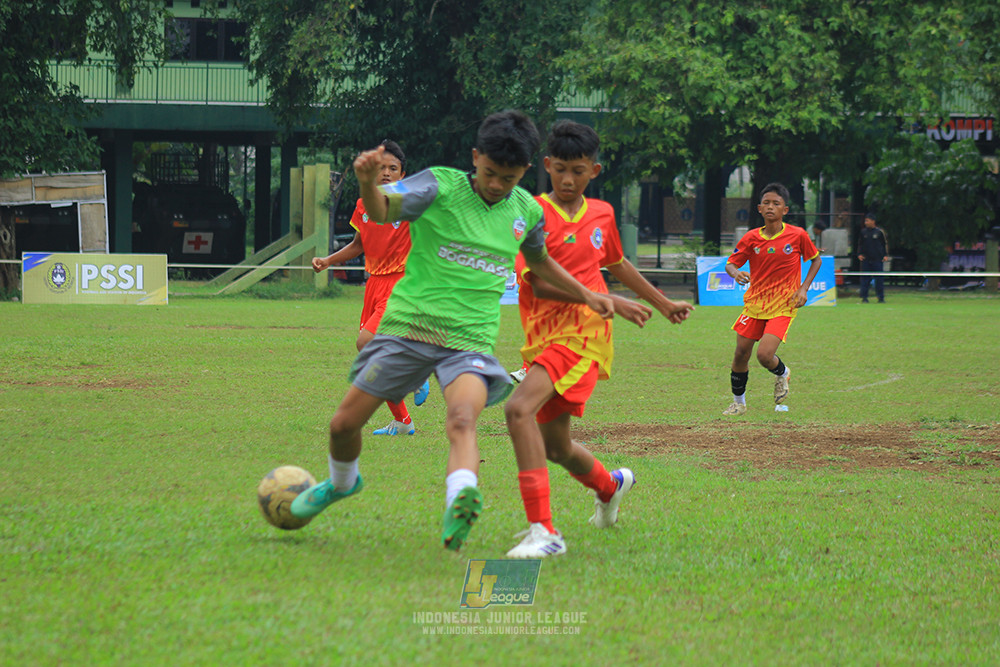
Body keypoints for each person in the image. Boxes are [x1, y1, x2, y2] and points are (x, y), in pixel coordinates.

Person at [291, 110, 645, 553]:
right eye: (490, 173)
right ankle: (343, 483)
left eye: (510, 177)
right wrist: (367, 182)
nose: (498, 185)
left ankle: (460, 501)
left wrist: (590, 295)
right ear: (475, 158)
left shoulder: (525, 211)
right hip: (409, 330)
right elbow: (381, 212)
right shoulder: (439, 184)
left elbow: (539, 262)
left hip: (469, 342)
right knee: (343, 425)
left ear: (525, 172)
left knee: (461, 419)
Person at [503, 120, 694, 558]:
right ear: (546, 166)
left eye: (579, 170)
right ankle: (610, 486)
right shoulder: (531, 213)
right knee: (556, 446)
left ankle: (544, 532)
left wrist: (663, 305)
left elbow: (619, 263)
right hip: (545, 333)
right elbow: (538, 285)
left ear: (595, 170)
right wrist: (604, 298)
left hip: (584, 335)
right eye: (561, 170)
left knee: (517, 409)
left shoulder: (603, 214)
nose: (569, 180)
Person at [312, 140, 429, 435]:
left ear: (403, 175)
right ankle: (402, 421)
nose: (386, 173)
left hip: (401, 283)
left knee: (366, 343)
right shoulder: (364, 205)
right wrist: (328, 260)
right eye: (381, 167)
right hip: (374, 284)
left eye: (393, 168)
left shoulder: (410, 203)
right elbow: (358, 245)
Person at [722, 182, 821, 416]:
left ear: (785, 210)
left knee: (764, 355)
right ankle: (739, 403)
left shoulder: (797, 235)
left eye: (776, 203)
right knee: (740, 354)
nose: (770, 207)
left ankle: (782, 373)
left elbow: (815, 260)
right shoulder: (751, 238)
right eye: (766, 203)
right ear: (759, 208)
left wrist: (803, 289)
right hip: (754, 304)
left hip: (783, 305)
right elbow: (730, 263)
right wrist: (736, 273)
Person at [856, 212, 889, 303]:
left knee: (879, 279)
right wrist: (859, 254)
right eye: (865, 221)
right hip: (866, 259)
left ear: (873, 221)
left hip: (877, 259)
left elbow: (884, 244)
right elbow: (860, 244)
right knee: (865, 279)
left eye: (867, 221)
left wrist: (885, 255)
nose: (866, 223)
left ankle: (881, 297)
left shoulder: (879, 232)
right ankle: (864, 298)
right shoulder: (863, 232)